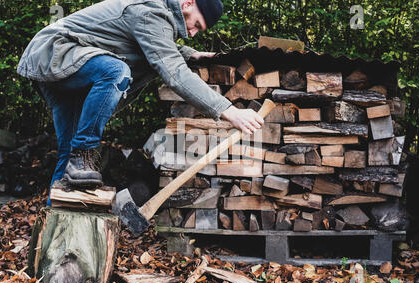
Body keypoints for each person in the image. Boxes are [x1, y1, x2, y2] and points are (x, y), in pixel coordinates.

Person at [17, 0, 264, 204]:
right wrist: (228, 110)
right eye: (196, 25)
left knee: (69, 158)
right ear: (187, 2)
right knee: (115, 72)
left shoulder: (155, 16)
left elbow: (156, 43)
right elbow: (173, 71)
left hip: (57, 64)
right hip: (55, 53)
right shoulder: (151, 11)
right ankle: (84, 152)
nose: (192, 33)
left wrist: (191, 54)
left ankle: (56, 224)